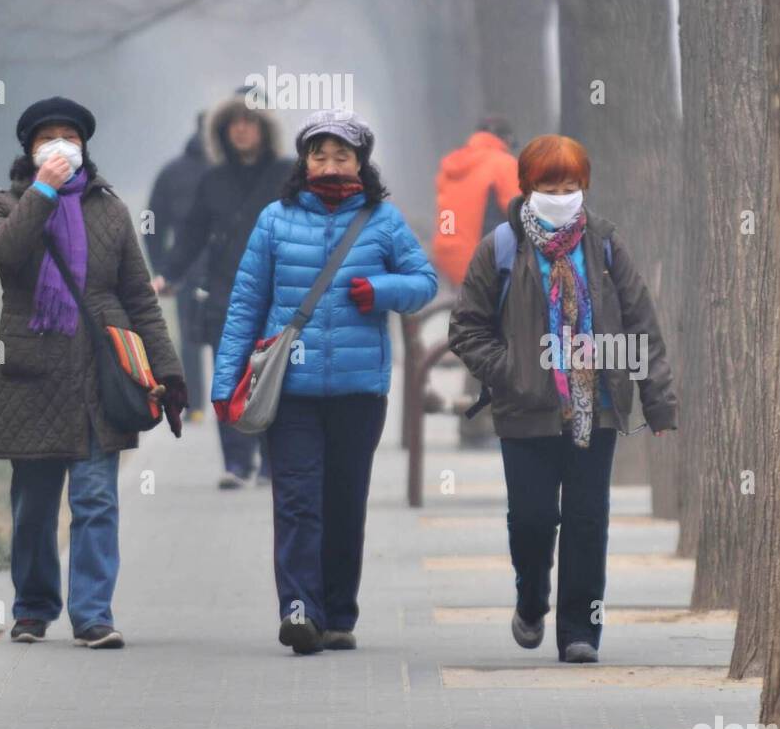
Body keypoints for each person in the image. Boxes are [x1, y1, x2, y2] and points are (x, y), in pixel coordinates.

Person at [212, 109, 438, 654]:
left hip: (359, 393)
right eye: (319, 154)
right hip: (290, 392)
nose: (330, 163)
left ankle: (338, 613)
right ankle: (298, 609)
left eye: (342, 155)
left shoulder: (382, 220)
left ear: (361, 161)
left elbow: (424, 282)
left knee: (343, 502)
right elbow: (246, 303)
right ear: (303, 160)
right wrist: (225, 383)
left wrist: (381, 291)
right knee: (295, 501)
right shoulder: (275, 220)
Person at [448, 133, 677, 663]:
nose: (561, 192)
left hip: (593, 410)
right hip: (524, 413)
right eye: (550, 183)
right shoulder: (500, 247)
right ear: (528, 185)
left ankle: (580, 631)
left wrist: (658, 402)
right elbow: (467, 328)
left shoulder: (605, 243)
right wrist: (512, 371)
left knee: (586, 520)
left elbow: (642, 322)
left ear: (585, 185)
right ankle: (532, 600)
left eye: (571, 183)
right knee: (530, 520)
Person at [0, 96, 187, 649]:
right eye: (47, 137)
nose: (59, 146)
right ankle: (33, 606)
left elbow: (140, 300)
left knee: (96, 500)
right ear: (29, 149)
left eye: (69, 137)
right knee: (34, 506)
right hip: (33, 373)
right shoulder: (3, 204)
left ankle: (93, 613)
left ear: (84, 145)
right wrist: (43, 192)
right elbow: (6, 254)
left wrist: (168, 371)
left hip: (102, 371)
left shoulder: (111, 211)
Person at [152, 87, 292, 488]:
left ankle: (269, 462)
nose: (242, 129)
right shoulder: (212, 180)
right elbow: (192, 236)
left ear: (264, 129)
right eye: (234, 123)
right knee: (229, 382)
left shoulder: (287, 175)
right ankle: (235, 463)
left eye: (250, 122)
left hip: (275, 294)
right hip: (223, 295)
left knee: (268, 381)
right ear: (223, 130)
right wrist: (168, 274)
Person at [145, 113, 209, 418]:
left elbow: (152, 225)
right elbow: (153, 224)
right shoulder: (176, 172)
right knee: (198, 335)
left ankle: (197, 406)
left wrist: (163, 268)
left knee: (192, 335)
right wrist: (163, 269)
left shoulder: (172, 171)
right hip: (195, 267)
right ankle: (207, 404)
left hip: (191, 269)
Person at [432, 116, 520, 287]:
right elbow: (522, 214)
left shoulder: (450, 166)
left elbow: (446, 218)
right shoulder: (503, 164)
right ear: (506, 139)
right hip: (485, 266)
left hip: (448, 262)